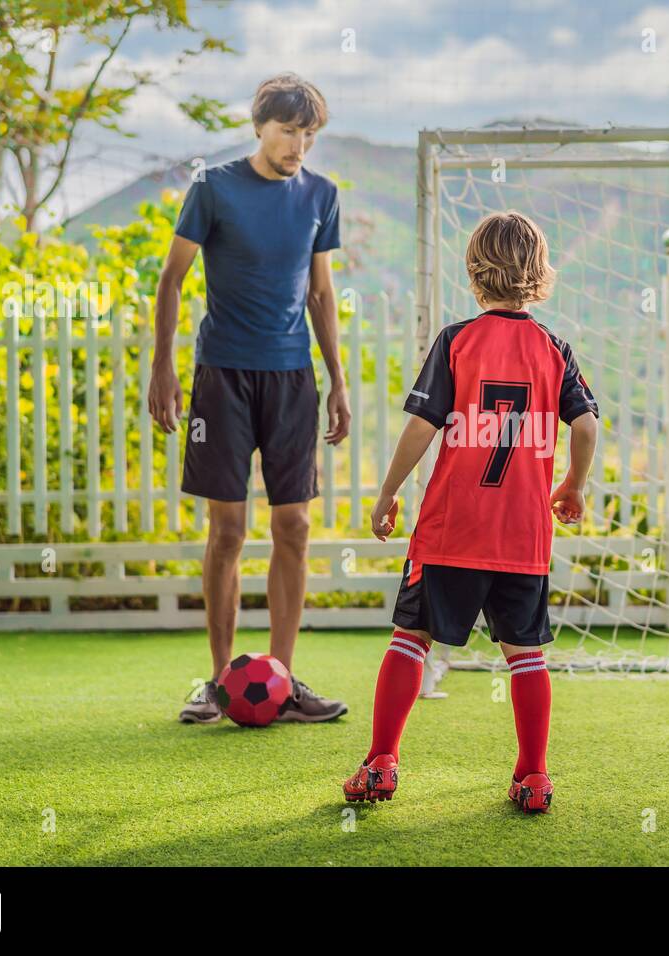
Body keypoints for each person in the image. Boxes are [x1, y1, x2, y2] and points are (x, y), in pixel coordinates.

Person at [342, 210, 599, 812]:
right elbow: (585, 424)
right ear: (539, 273)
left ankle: (381, 762)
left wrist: (387, 493)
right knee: (526, 654)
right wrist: (573, 486)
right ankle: (533, 776)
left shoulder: (457, 341)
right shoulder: (554, 349)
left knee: (411, 638)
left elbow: (423, 425)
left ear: (473, 272)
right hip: (523, 537)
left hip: (451, 531)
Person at [146, 73, 350, 724]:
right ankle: (216, 681)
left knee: (294, 526)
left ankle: (283, 682)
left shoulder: (321, 194)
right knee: (228, 531)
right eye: (289, 130)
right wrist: (162, 368)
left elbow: (320, 294)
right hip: (222, 375)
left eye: (310, 133)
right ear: (259, 125)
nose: (299, 144)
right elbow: (171, 282)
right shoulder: (214, 187)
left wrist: (338, 379)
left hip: (292, 378)